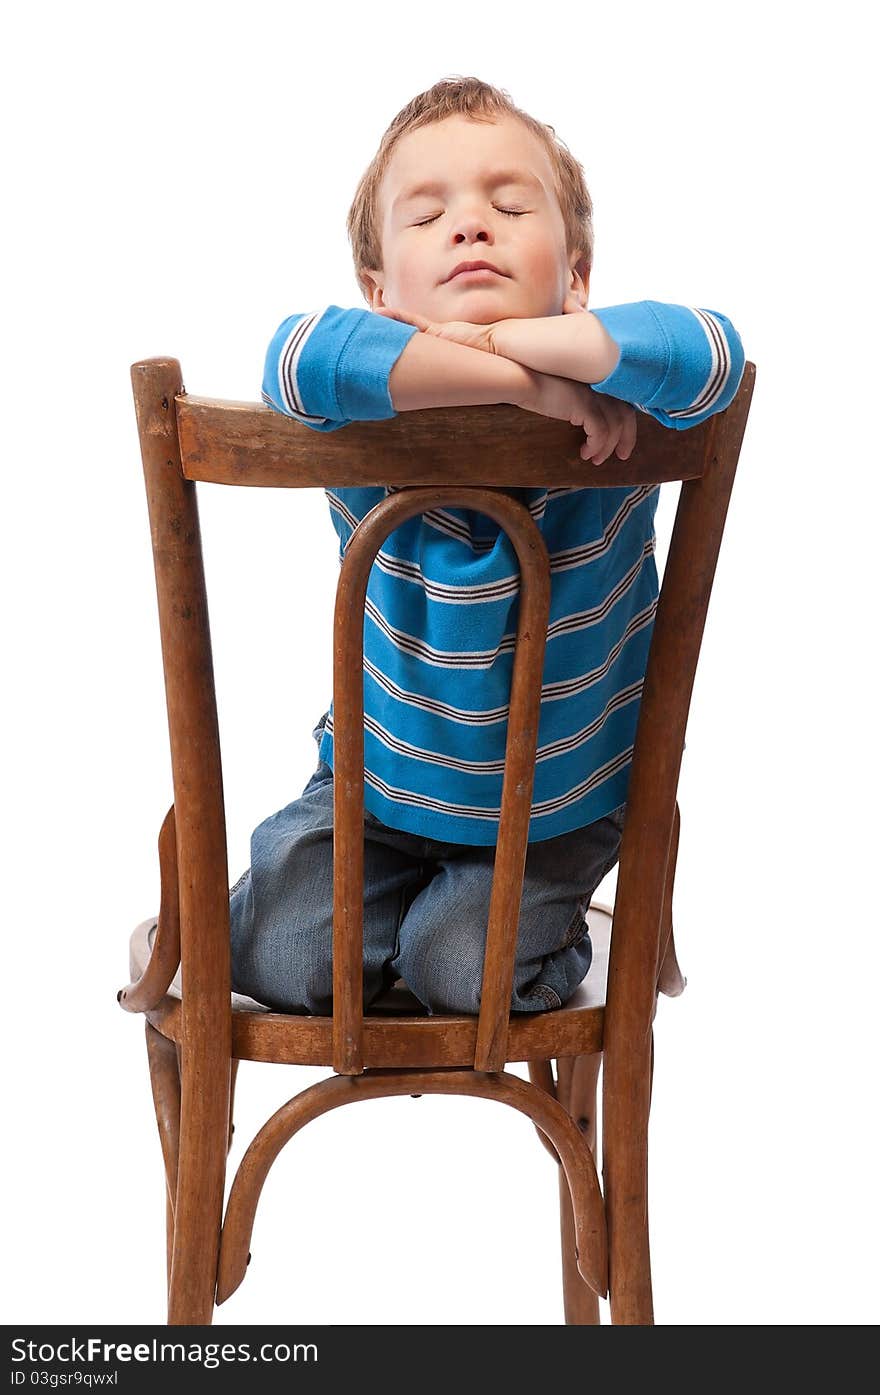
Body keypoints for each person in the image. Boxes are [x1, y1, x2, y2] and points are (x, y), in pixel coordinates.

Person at [229, 76, 744, 1018]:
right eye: (428, 217)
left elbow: (713, 349)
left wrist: (534, 346)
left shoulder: (625, 412)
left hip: (552, 810)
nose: (472, 225)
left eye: (510, 205)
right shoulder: (361, 406)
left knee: (461, 968)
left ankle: (504, 931)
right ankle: (372, 922)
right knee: (277, 954)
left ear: (577, 276)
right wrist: (528, 386)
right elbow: (295, 355)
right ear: (380, 293)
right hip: (374, 791)